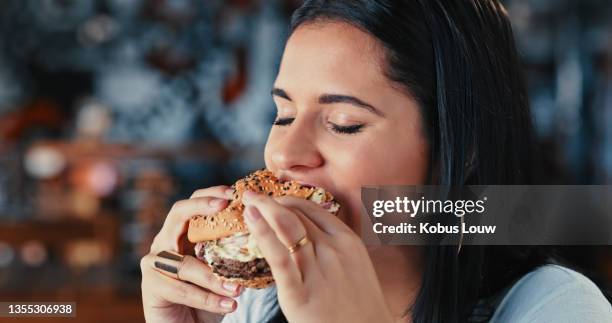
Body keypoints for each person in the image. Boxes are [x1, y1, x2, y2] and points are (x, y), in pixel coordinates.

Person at [140, 1, 612, 322]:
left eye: (344, 123)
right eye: (282, 115)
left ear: (459, 148)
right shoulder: (257, 302)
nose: (283, 154)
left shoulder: (555, 306)